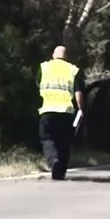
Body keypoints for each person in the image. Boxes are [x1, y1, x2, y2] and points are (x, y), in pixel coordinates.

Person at [37, 46, 84, 180]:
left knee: (47, 138)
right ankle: (60, 171)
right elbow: (78, 92)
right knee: (64, 142)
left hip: (48, 110)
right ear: (66, 57)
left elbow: (37, 84)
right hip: (66, 111)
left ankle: (53, 161)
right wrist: (80, 109)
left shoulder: (44, 67)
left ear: (53, 55)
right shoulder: (72, 70)